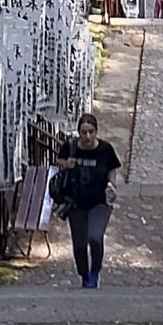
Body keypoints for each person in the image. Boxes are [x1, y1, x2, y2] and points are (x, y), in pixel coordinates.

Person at [50, 112, 121, 288]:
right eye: (84, 132)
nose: (87, 136)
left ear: (96, 132)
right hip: (76, 202)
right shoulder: (71, 146)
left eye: (91, 132)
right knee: (80, 244)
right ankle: (84, 275)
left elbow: (112, 168)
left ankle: (95, 270)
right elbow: (58, 159)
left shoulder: (105, 149)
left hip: (99, 202)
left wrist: (111, 185)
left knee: (95, 237)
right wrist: (67, 164)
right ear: (79, 132)